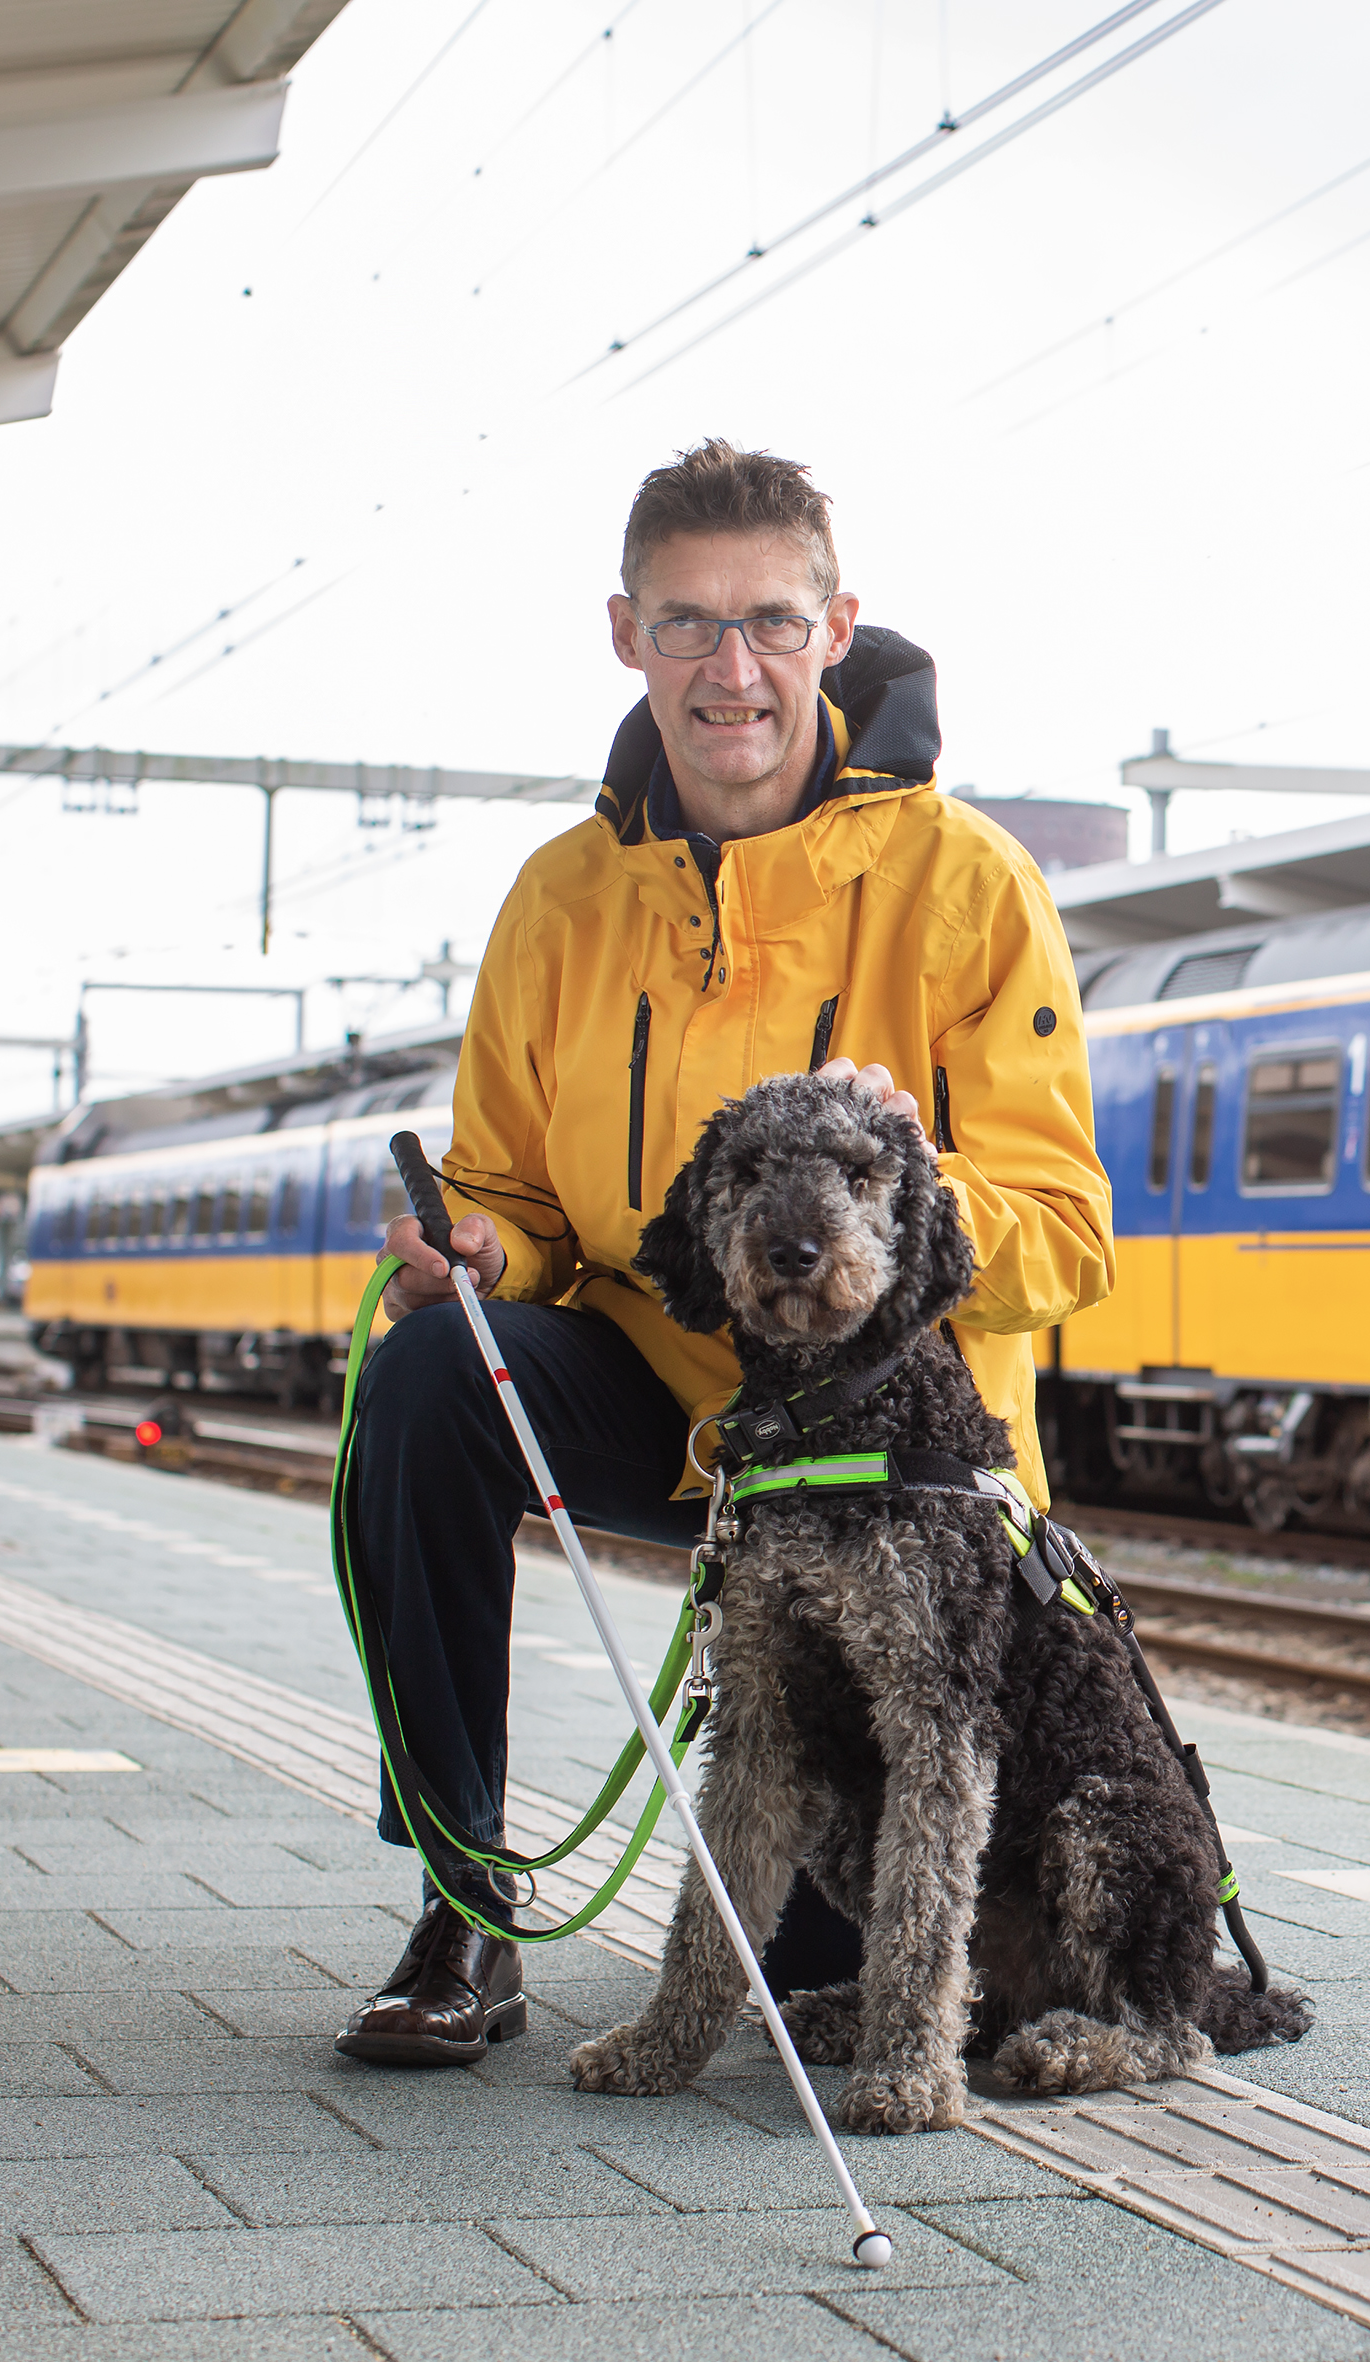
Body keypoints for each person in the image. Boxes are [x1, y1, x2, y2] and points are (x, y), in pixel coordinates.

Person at [332, 441, 1113, 2065]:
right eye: (687, 622)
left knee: (821, 1967)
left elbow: (1067, 1229)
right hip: (661, 1394)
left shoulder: (971, 884)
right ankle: (465, 1903)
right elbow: (520, 1201)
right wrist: (480, 1245)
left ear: (838, 629)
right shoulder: (557, 900)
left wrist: (911, 1191)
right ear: (627, 633)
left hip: (885, 1465)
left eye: (769, 621)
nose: (730, 667)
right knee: (428, 1375)